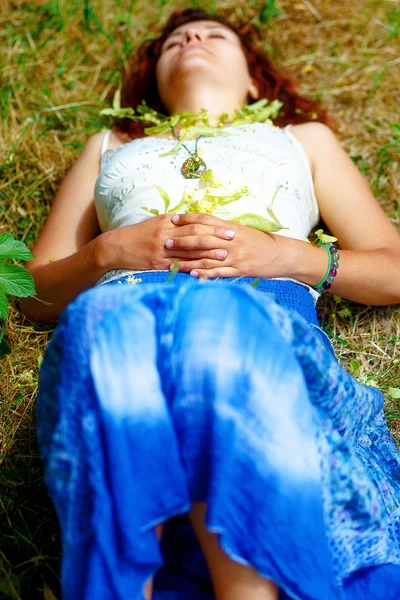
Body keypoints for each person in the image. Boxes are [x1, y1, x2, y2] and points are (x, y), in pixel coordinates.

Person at [20, 8, 400, 600]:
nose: (193, 38)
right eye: (176, 39)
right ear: (152, 82)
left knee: (216, 328)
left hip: (262, 316)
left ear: (254, 80)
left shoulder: (299, 140)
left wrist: (285, 256)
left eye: (213, 35)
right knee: (100, 331)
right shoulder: (110, 145)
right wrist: (107, 251)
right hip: (122, 316)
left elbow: (393, 268)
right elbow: (35, 292)